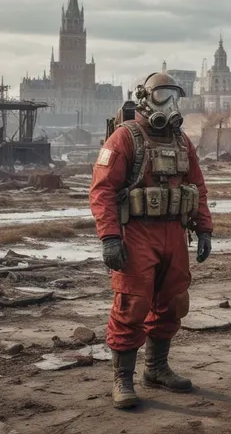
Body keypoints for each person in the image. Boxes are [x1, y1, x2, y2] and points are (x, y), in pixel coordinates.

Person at [89, 72, 213, 409]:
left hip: (174, 231)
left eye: (174, 95)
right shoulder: (124, 138)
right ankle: (123, 379)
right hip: (138, 233)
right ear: (145, 97)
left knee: (172, 301)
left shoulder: (182, 141)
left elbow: (198, 188)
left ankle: (157, 368)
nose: (169, 103)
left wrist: (204, 229)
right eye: (162, 95)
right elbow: (103, 191)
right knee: (133, 304)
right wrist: (110, 238)